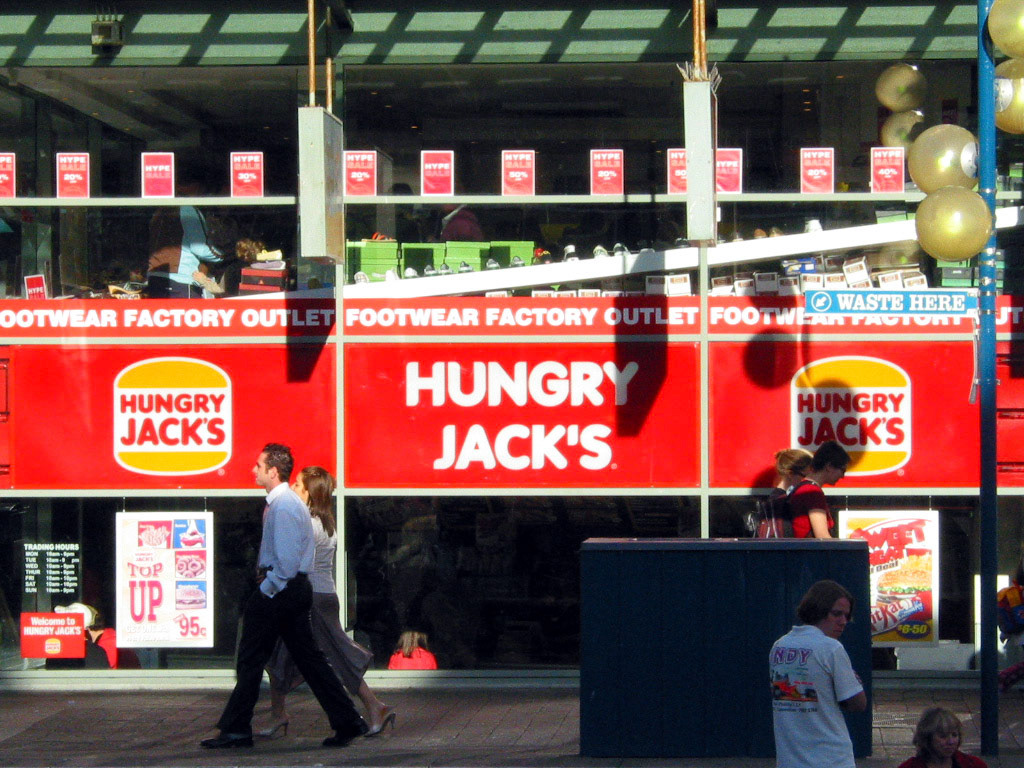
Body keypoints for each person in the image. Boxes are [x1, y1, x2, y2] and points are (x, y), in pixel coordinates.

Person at [200, 444, 367, 749]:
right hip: (288, 591)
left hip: (281, 591)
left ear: (272, 471)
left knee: (251, 658)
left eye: (258, 465)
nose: (254, 470)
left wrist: (266, 590)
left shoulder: (285, 506)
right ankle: (348, 721)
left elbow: (287, 563)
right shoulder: (284, 504)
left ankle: (236, 728)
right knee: (308, 659)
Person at [260, 465, 394, 739]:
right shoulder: (326, 522)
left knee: (335, 654)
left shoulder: (307, 523)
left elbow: (291, 562)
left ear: (311, 494)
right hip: (321, 595)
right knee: (280, 653)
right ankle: (278, 713)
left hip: (312, 599)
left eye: (298, 486)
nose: (293, 489)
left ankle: (374, 706)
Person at [770, 580, 866, 768]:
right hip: (831, 759)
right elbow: (858, 703)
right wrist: (852, 680)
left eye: (846, 616)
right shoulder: (831, 648)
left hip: (790, 759)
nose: (843, 622)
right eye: (837, 614)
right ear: (818, 610)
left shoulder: (779, 647)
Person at [147, 177, 224, 298]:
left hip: (155, 278)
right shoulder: (187, 210)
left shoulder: (159, 211)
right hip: (181, 281)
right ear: (195, 187)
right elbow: (199, 248)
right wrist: (222, 256)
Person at [787, 440, 850, 539]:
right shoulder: (812, 492)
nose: (842, 476)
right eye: (842, 470)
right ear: (829, 467)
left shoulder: (802, 487)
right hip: (809, 553)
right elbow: (822, 537)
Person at [896, 707, 987, 768]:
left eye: (954, 735)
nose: (951, 741)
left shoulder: (973, 765)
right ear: (927, 738)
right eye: (943, 736)